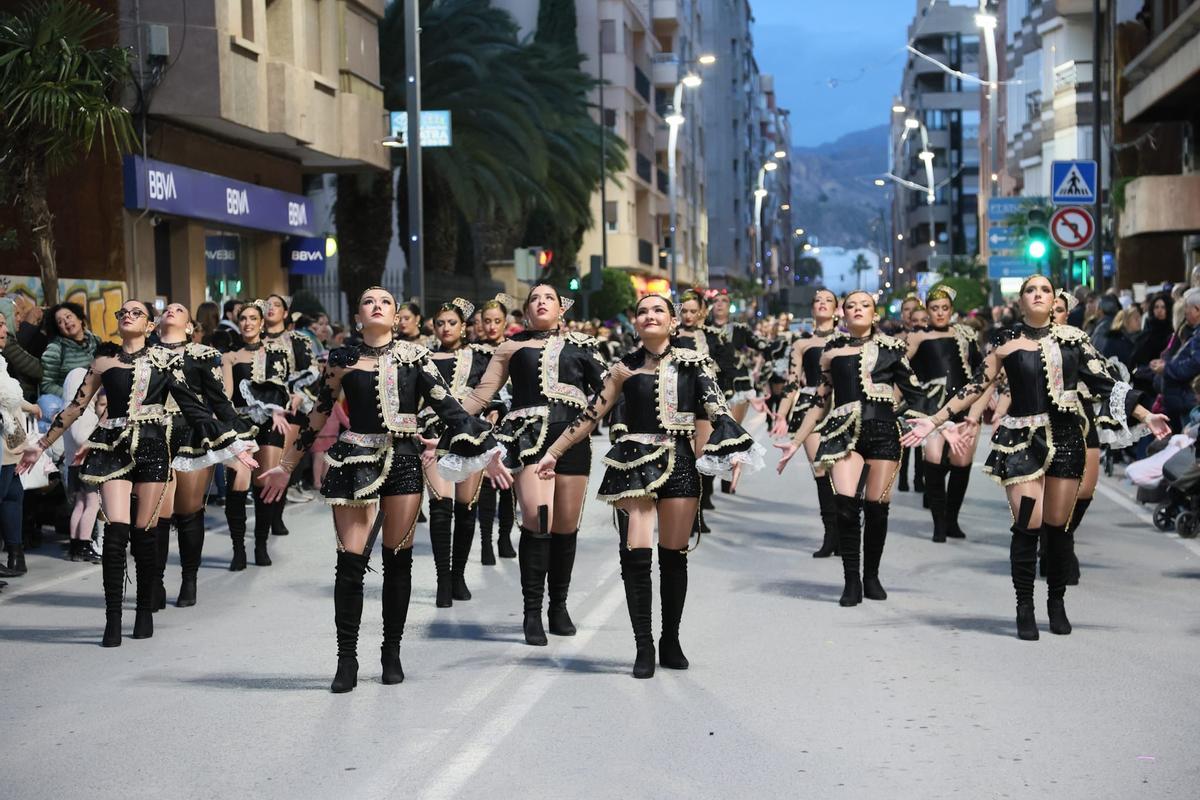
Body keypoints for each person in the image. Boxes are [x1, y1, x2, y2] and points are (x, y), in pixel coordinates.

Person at [258, 287, 509, 693]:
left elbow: (449, 408)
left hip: (405, 459)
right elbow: (320, 412)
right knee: (351, 563)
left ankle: (391, 652)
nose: (377, 305)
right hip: (355, 459)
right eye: (369, 301)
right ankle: (347, 659)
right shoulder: (340, 358)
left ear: (395, 317)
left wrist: (486, 447)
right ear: (359, 316)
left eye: (385, 302)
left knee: (398, 561)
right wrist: (286, 466)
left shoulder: (417, 357)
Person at [903, 275, 1170, 640]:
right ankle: (1024, 606)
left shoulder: (1076, 340)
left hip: (1066, 441)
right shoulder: (1006, 341)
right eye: (1031, 290)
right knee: (1028, 524)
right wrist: (934, 421)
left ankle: (1055, 603)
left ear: (1054, 299)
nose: (1039, 295)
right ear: (1021, 300)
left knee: (1058, 529)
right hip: (1020, 443)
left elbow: (1108, 384)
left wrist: (1145, 415)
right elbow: (975, 386)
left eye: (1045, 290)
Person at [535, 294, 763, 678]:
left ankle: (669, 639)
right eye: (643, 311)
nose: (650, 315)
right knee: (635, 553)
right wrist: (553, 453)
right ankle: (643, 645)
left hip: (680, 463)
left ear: (673, 321)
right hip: (632, 464)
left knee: (673, 555)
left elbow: (717, 408)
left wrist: (736, 451)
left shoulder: (695, 363)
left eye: (659, 310)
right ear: (636, 324)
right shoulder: (622, 369)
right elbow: (590, 415)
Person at [18, 300, 257, 647]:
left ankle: (144, 610)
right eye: (123, 312)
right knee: (116, 534)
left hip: (153, 448)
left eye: (136, 313)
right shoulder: (104, 361)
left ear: (149, 326)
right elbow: (75, 408)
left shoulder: (167, 362)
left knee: (146, 536)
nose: (127, 315)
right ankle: (112, 619)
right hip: (112, 449)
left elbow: (195, 408)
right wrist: (40, 444)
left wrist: (234, 444)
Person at [460, 282, 607, 646]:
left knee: (566, 529)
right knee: (537, 520)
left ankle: (558, 606)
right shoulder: (511, 347)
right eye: (535, 298)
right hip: (527, 440)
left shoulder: (583, 346)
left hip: (572, 440)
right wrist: (446, 420)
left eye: (549, 298)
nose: (541, 302)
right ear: (526, 311)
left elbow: (608, 391)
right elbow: (483, 393)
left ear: (561, 309)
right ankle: (531, 612)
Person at [776, 290, 928, 607]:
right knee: (847, 504)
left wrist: (897, 417)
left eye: (865, 305)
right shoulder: (832, 351)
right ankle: (851, 581)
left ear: (875, 313)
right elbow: (820, 402)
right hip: (844, 433)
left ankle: (871, 575)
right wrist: (796, 441)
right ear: (843, 315)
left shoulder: (892, 348)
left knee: (876, 506)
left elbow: (916, 394)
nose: (857, 309)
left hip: (883, 434)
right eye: (851, 306)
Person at [155, 303, 258, 607]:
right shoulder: (146, 357)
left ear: (190, 326)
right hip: (154, 435)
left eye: (179, 309)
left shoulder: (202, 355)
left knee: (188, 513)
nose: (172, 310)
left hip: (192, 433)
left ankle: (189, 580)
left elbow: (218, 399)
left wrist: (240, 435)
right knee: (155, 518)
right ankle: (155, 583)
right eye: (168, 309)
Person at [421, 298, 496, 606]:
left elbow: (494, 393)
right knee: (440, 507)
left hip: (470, 435)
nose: (446, 328)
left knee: (467, 507)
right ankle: (442, 581)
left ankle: (459, 575)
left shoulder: (480, 356)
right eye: (440, 323)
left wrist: (494, 416)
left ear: (464, 327)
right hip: (433, 436)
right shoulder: (421, 358)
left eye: (452, 323)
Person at [221, 302, 296, 570]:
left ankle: (260, 544)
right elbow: (227, 395)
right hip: (240, 423)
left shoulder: (276, 352)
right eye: (243, 318)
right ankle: (238, 549)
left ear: (262, 322)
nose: (248, 323)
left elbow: (281, 385)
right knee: (236, 484)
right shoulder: (229, 356)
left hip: (270, 423)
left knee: (264, 484)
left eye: (253, 318)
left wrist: (277, 410)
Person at [904, 285, 982, 542]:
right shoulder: (917, 336)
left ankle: (952, 519)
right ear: (927, 310)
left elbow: (983, 372)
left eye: (944, 308)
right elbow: (900, 369)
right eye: (934, 308)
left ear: (951, 310)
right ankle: (938, 522)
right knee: (934, 458)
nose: (939, 313)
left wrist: (983, 403)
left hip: (964, 404)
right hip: (933, 406)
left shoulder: (966, 335)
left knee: (961, 461)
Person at [770, 288, 841, 557]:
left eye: (828, 300)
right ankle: (830, 535)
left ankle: (847, 535)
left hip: (842, 409)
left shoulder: (848, 341)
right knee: (822, 473)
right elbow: (791, 383)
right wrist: (781, 413)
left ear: (837, 309)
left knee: (844, 477)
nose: (822, 304)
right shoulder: (801, 344)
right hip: (810, 409)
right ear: (812, 309)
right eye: (818, 301)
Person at [474, 297, 517, 564]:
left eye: (496, 321)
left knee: (509, 486)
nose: (491, 326)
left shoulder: (515, 349)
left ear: (505, 322)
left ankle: (504, 537)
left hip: (512, 426)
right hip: (482, 427)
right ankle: (486, 543)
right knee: (488, 486)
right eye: (486, 321)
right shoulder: (474, 353)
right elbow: (470, 390)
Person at [61, 367, 102, 564]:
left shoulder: (66, 411)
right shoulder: (83, 412)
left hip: (72, 465)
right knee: (92, 505)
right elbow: (81, 437)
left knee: (79, 505)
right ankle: (84, 544)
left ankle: (75, 546)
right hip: (87, 464)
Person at [1153, 288, 1200, 431]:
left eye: (1188, 308)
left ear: (1197, 310)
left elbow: (1194, 363)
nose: (1185, 312)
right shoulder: (1193, 333)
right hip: (1184, 399)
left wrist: (1167, 368)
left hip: (1188, 399)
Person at [39, 302, 99, 398]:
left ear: (79, 318)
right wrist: (72, 396)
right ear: (59, 329)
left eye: (68, 316)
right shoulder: (55, 349)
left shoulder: (95, 340)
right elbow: (46, 385)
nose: (66, 322)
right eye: (60, 322)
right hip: (69, 402)